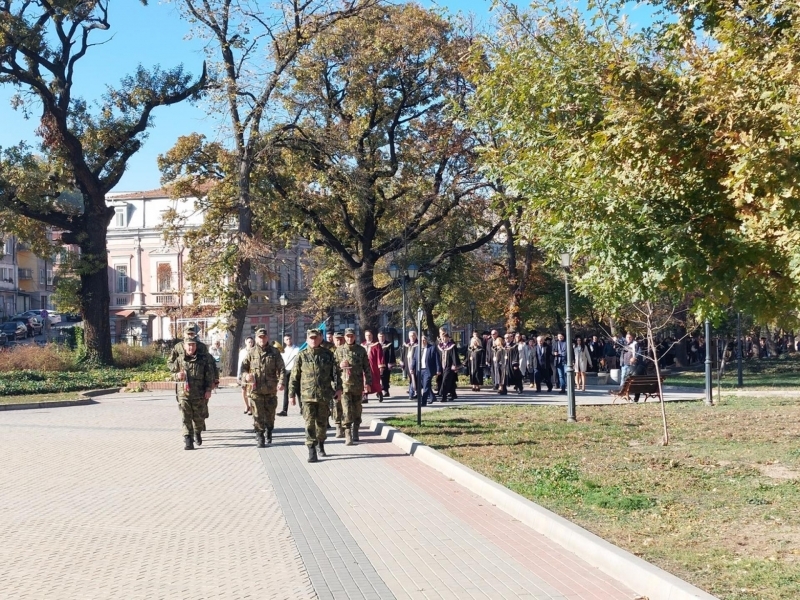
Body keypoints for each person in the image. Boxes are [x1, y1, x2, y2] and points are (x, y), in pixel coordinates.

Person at [289, 329, 342, 463]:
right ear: (307, 340)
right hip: (307, 396)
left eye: (315, 338)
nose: (313, 340)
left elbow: (335, 374)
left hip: (324, 396)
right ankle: (311, 450)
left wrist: (338, 389)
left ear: (320, 339)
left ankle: (321, 443)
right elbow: (294, 377)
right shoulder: (301, 356)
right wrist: (291, 395)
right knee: (309, 423)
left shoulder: (328, 355)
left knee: (322, 424)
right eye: (311, 338)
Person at [240, 327, 285, 448]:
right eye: (260, 337)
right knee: (257, 415)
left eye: (264, 337)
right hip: (256, 390)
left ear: (267, 338)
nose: (262, 339)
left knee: (270, 415)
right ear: (256, 338)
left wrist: (281, 382)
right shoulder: (251, 352)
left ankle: (269, 430)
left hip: (270, 390)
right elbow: (243, 368)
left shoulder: (274, 352)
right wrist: (246, 376)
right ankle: (260, 436)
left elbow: (281, 369)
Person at [169, 335, 215, 450]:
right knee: (185, 417)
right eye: (189, 345)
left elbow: (208, 376)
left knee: (198, 418)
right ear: (184, 346)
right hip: (183, 394)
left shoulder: (202, 359)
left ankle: (197, 432)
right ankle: (188, 439)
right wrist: (177, 375)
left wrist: (208, 390)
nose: (191, 347)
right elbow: (171, 374)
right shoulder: (179, 360)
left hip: (199, 394)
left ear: (196, 346)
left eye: (193, 345)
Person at [170, 323, 218, 422]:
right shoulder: (178, 347)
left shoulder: (201, 347)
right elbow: (170, 362)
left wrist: (215, 378)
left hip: (200, 379)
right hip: (184, 382)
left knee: (202, 405)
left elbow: (210, 362)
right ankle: (190, 430)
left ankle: (200, 422)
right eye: (188, 334)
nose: (190, 336)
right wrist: (177, 371)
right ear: (184, 334)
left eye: (192, 334)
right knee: (183, 406)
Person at [334, 327, 371, 445]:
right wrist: (340, 365)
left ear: (355, 337)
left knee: (357, 409)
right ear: (344, 337)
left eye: (351, 336)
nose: (350, 338)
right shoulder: (339, 351)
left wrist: (368, 383)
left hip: (357, 385)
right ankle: (347, 433)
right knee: (346, 409)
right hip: (344, 386)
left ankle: (356, 430)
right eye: (347, 336)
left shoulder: (360, 350)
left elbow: (367, 367)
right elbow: (332, 368)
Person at [412, 335, 441, 405]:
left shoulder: (432, 348)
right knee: (425, 385)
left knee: (426, 386)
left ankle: (423, 402)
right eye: (421, 340)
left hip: (428, 370)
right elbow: (414, 359)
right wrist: (412, 368)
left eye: (424, 340)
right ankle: (432, 397)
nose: (422, 342)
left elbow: (437, 359)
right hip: (419, 370)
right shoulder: (417, 349)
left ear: (426, 340)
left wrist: (438, 369)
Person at [278, 334, 300, 416]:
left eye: (290, 339)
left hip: (295, 371)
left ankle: (302, 409)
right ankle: (284, 410)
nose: (288, 341)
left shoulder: (297, 349)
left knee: (298, 390)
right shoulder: (283, 351)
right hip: (286, 371)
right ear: (284, 341)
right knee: (286, 391)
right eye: (286, 339)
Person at [438, 331, 461, 401]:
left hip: (449, 366)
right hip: (441, 366)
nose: (444, 339)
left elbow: (454, 356)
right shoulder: (440, 346)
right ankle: (453, 394)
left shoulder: (452, 346)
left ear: (448, 338)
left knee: (445, 380)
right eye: (442, 338)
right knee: (449, 381)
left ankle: (443, 396)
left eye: (445, 338)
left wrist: (455, 365)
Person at [331, 331, 346, 437]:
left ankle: (346, 426)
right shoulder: (329, 352)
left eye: (341, 339)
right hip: (334, 383)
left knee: (346, 405)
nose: (339, 341)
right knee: (336, 405)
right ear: (333, 339)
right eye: (337, 339)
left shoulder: (347, 350)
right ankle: (338, 426)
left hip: (346, 382)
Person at [362, 330, 383, 403]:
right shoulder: (362, 345)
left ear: (372, 336)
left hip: (373, 366)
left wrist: (381, 366)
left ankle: (379, 393)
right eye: (367, 335)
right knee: (364, 380)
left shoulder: (376, 344)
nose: (368, 337)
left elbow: (379, 356)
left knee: (375, 380)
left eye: (369, 335)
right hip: (364, 366)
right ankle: (365, 396)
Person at [237, 336, 255, 414]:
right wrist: (238, 375)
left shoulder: (254, 351)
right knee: (243, 390)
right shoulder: (242, 352)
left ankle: (251, 407)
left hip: (251, 372)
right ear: (245, 342)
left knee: (251, 390)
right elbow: (239, 363)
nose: (250, 343)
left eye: (251, 342)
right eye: (249, 342)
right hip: (243, 372)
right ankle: (246, 405)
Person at [377, 330, 396, 398]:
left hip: (386, 363)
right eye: (380, 336)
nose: (381, 338)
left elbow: (391, 354)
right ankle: (379, 391)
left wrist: (390, 363)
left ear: (384, 337)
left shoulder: (389, 344)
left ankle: (385, 390)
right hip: (377, 364)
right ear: (378, 337)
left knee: (385, 377)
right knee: (378, 378)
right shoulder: (376, 344)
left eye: (382, 336)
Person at [401, 331, 418, 399]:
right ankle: (414, 391)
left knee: (415, 378)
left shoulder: (418, 344)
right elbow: (403, 353)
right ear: (409, 337)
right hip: (407, 363)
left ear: (416, 336)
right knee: (411, 378)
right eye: (411, 336)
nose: (412, 337)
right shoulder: (406, 344)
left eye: (413, 335)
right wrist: (402, 363)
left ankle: (412, 392)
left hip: (416, 364)